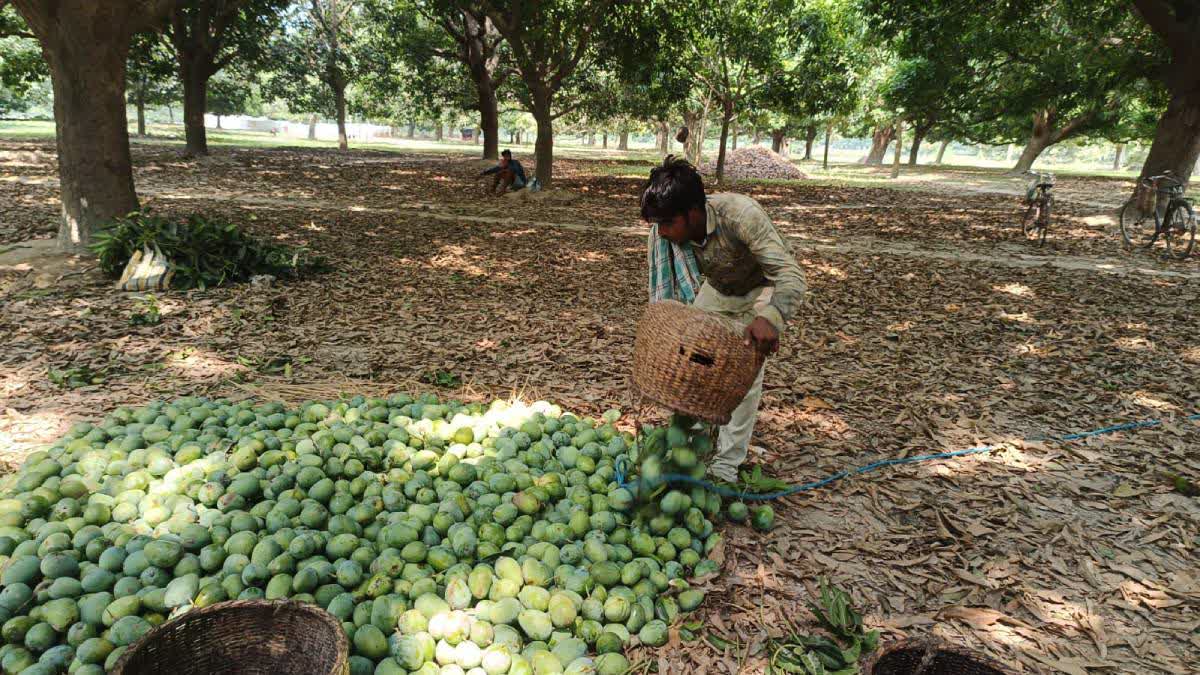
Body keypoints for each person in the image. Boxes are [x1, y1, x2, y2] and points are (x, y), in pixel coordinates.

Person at [640, 155, 807, 483]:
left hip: (758, 290)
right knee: (693, 356)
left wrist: (770, 318)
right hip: (717, 289)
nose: (661, 234)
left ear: (691, 214)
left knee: (743, 375)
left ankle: (726, 467)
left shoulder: (741, 216)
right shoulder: (676, 235)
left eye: (666, 224)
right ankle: (692, 443)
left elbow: (791, 275)